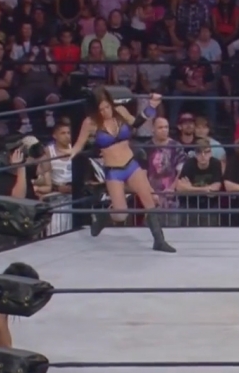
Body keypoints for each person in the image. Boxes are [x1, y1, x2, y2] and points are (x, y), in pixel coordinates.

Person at [71, 87, 175, 252]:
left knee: (149, 201)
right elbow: (78, 145)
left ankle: (159, 241)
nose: (105, 111)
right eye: (101, 109)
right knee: (121, 214)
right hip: (114, 171)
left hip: (131, 164)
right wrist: (68, 154)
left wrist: (152, 106)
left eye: (107, 107)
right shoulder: (90, 123)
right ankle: (103, 217)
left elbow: (137, 123)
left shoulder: (120, 111)